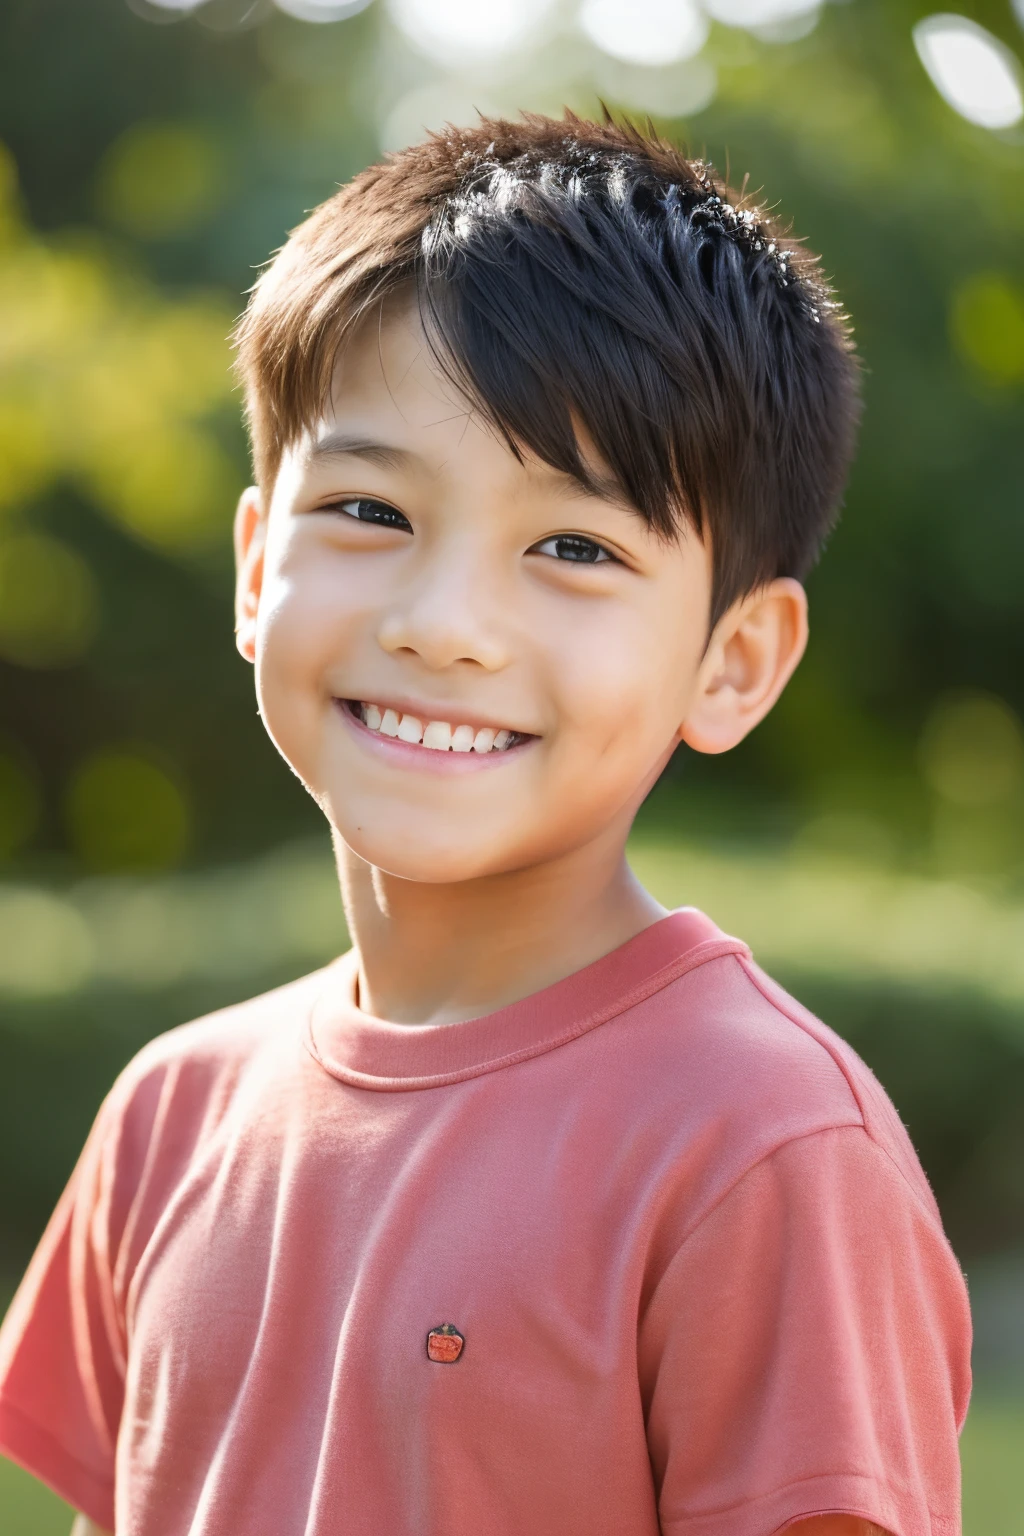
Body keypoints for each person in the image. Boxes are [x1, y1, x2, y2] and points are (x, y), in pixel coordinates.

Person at [0, 111, 969, 1536]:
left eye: (573, 548)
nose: (445, 625)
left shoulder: (760, 1149)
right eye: (372, 511)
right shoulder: (169, 1111)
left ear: (734, 660)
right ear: (258, 565)